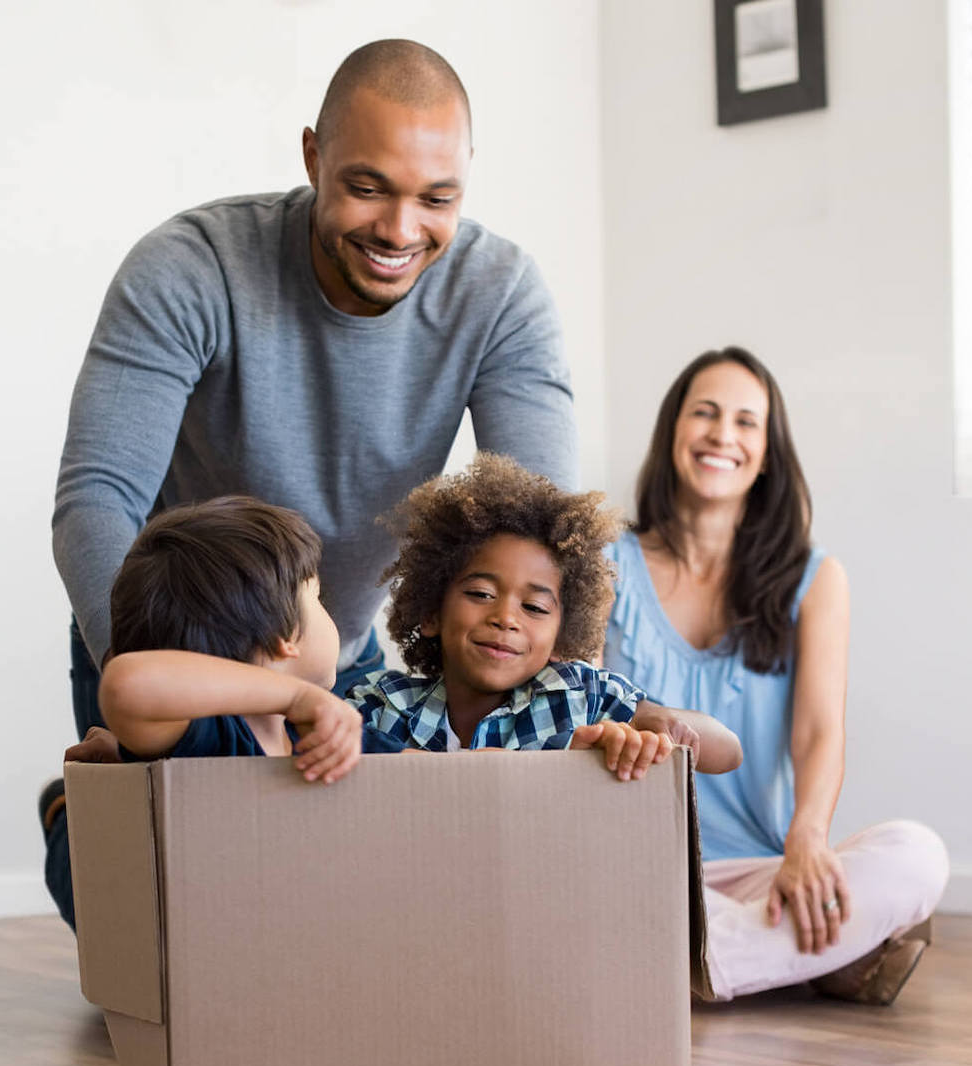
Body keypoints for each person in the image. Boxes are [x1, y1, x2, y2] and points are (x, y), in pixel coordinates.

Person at [51, 37, 577, 739]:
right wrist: (150, 687)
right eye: (367, 189)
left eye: (436, 198)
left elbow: (546, 533)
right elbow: (97, 499)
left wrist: (572, 712)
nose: (399, 230)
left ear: (466, 175)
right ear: (312, 157)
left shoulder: (501, 294)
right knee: (128, 847)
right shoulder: (191, 266)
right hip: (171, 656)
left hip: (335, 653)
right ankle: (70, 823)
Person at [604, 347, 949, 1004]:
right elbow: (575, 717)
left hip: (761, 870)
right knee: (604, 892)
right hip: (632, 865)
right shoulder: (602, 563)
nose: (722, 435)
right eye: (704, 413)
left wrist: (809, 841)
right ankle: (823, 958)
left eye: (745, 422)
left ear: (767, 453)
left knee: (917, 854)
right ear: (673, 430)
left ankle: (698, 965)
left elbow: (819, 733)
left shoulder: (815, 581)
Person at [42, 497, 402, 930]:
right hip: (189, 945)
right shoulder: (209, 739)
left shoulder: (329, 736)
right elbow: (125, 683)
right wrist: (295, 697)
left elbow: (431, 778)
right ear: (285, 636)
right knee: (96, 891)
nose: (331, 615)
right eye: (318, 596)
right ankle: (64, 813)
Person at [347, 453, 740, 779]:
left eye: (534, 607)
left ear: (561, 636)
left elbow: (728, 751)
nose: (506, 618)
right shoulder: (383, 705)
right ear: (431, 612)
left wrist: (657, 720)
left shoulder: (582, 698)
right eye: (481, 594)